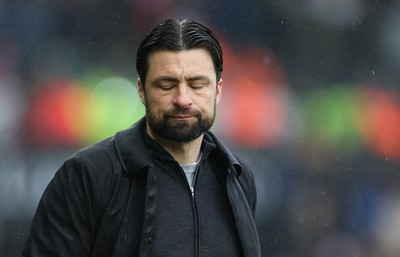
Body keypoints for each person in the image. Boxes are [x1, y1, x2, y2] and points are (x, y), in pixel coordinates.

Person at [23, 18, 261, 257]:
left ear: (218, 91)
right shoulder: (88, 175)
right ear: (142, 91)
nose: (183, 99)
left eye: (197, 84)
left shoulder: (237, 178)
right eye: (166, 85)